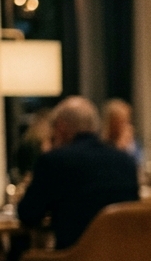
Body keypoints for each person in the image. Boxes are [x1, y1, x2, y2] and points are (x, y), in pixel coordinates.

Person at [19, 96, 139, 249]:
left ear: (61, 127)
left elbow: (27, 214)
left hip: (74, 260)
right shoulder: (125, 161)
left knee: (20, 253)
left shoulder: (54, 161)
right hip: (121, 259)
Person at [101, 98, 143, 166]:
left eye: (127, 121)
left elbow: (138, 161)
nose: (127, 126)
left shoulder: (131, 142)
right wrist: (121, 146)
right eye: (121, 122)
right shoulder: (102, 143)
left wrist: (129, 146)